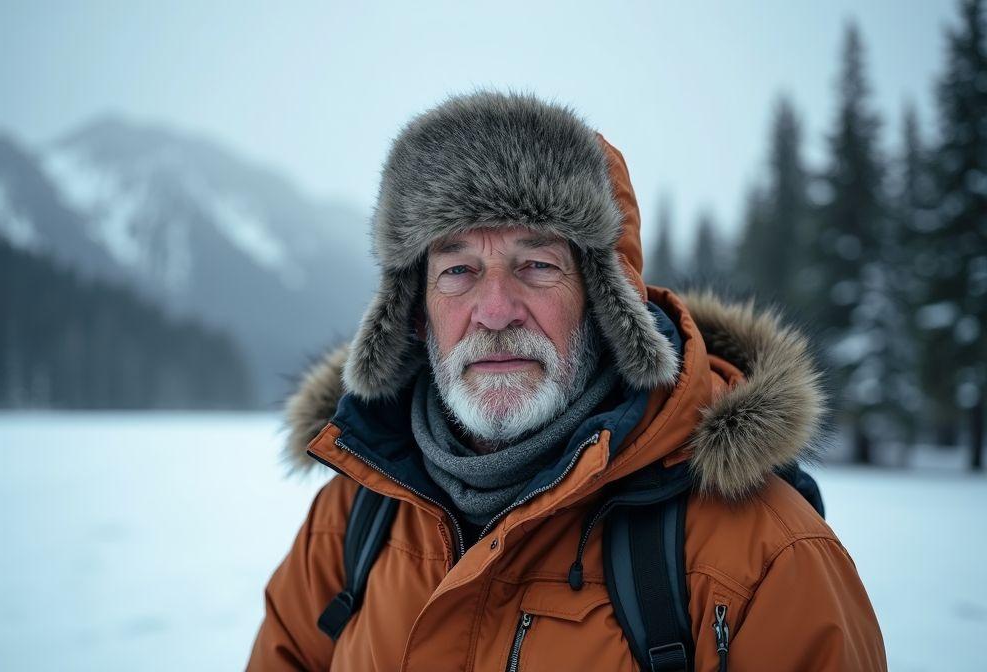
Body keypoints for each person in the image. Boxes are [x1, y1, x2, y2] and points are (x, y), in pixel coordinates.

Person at [247, 91, 887, 671]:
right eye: (458, 270)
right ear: (415, 309)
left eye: (536, 264)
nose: (495, 311)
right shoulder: (354, 516)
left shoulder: (763, 556)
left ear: (606, 304)